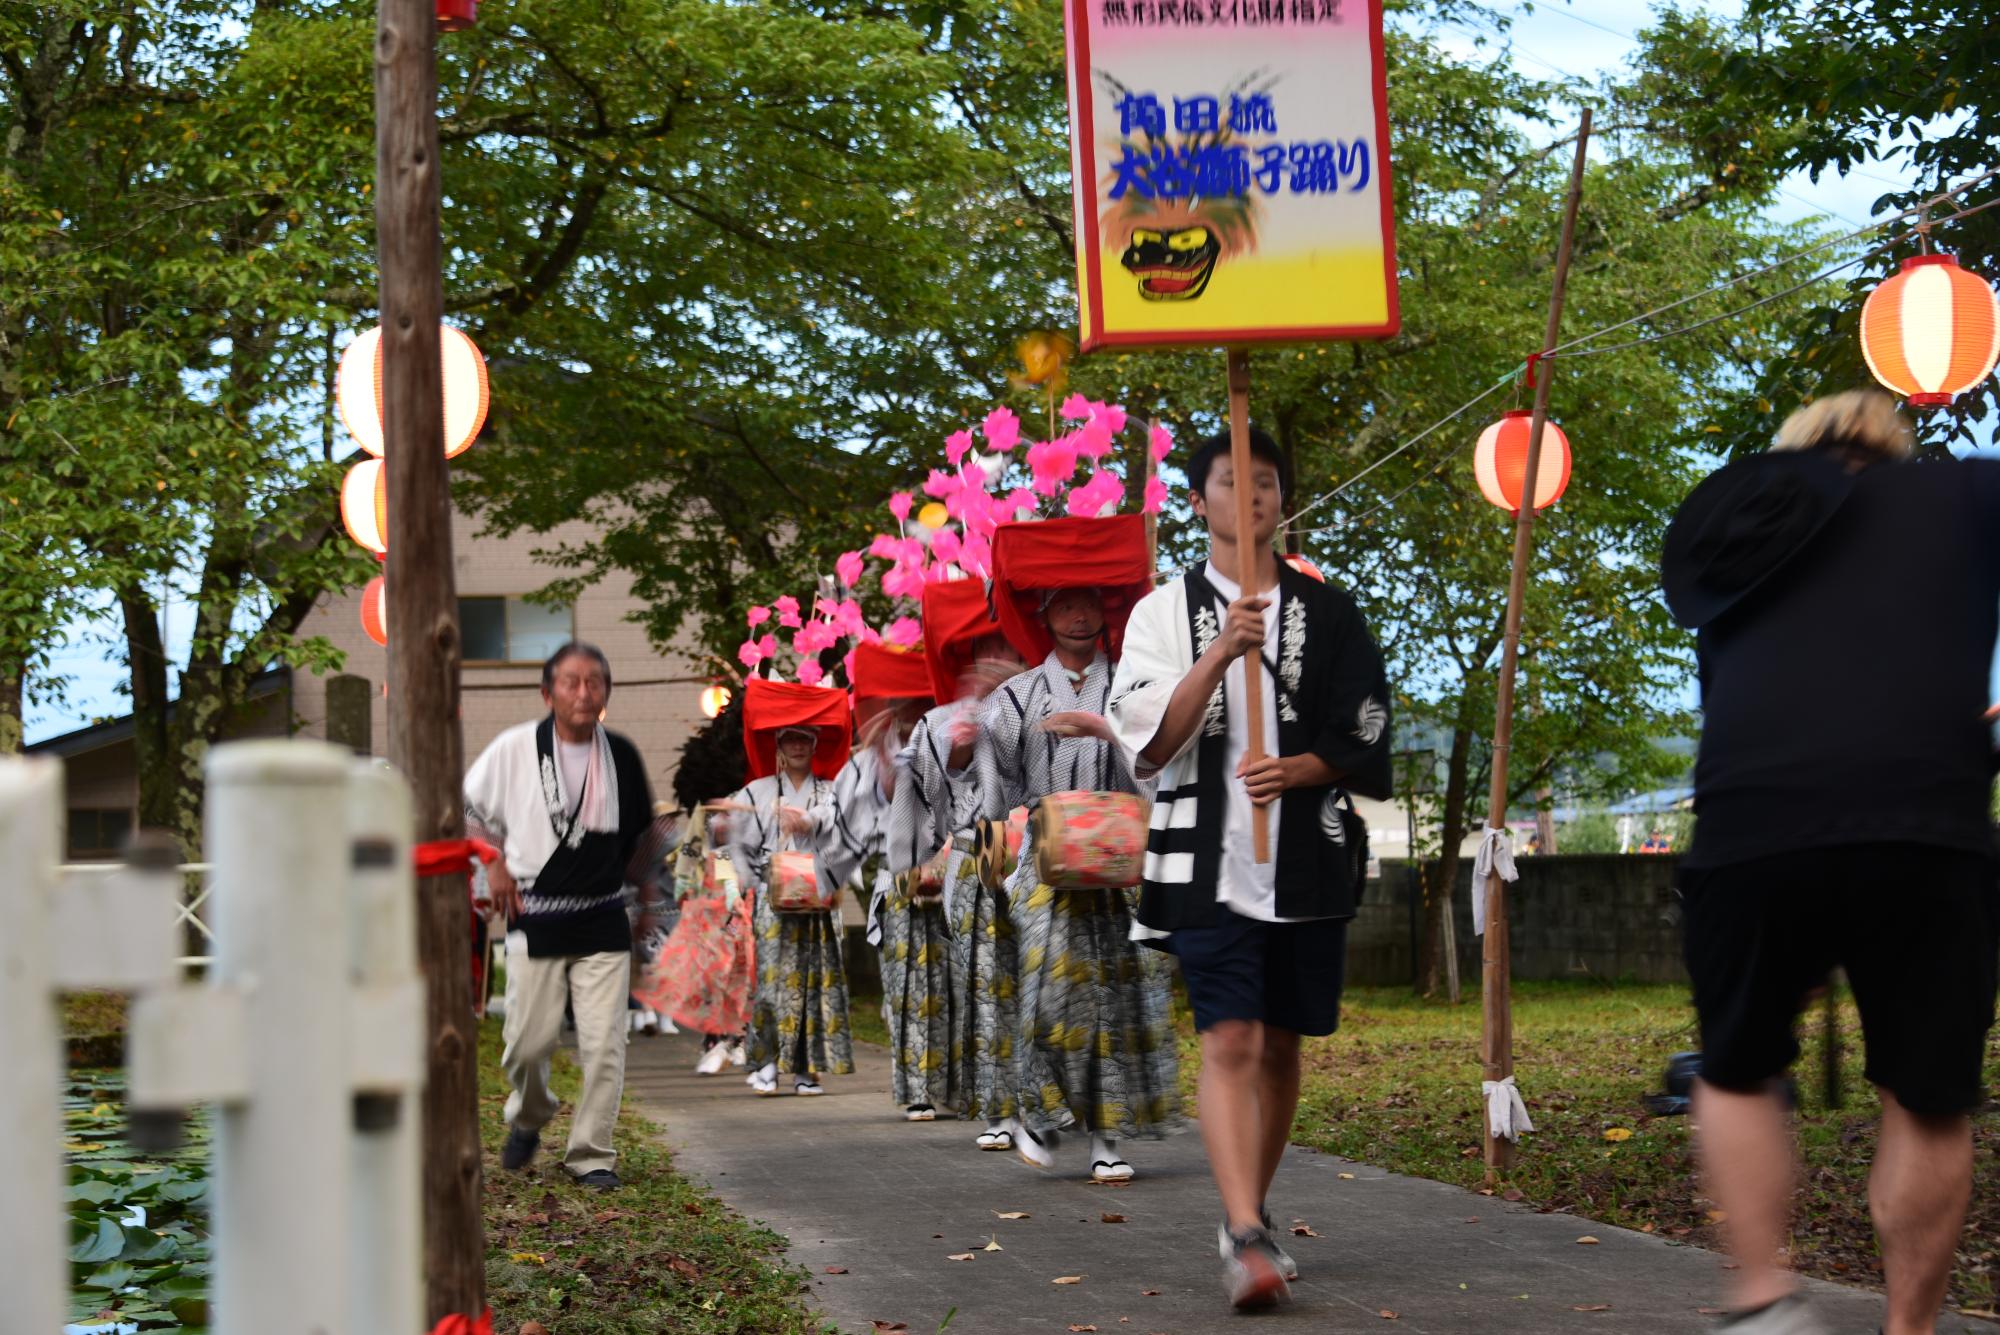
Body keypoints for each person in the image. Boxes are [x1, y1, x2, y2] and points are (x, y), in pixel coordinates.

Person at [1660, 389, 2000, 1335]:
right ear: (1891, 450)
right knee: (1927, 1096)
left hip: (1751, 818)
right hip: (1925, 818)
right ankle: (1908, 1329)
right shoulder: (1962, 496)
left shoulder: (1742, 533)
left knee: (1735, 1066)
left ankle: (1765, 1294)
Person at [1100, 425, 1391, 1309]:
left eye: (1266, 481)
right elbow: (1145, 738)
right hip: (1205, 859)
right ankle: (1247, 1234)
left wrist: (1303, 768)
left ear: (1281, 498)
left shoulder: (1331, 611)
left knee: (1283, 1043)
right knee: (1230, 1034)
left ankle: (1247, 1205)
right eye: (1232, 480)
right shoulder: (1160, 612)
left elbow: (1369, 723)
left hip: (1306, 857)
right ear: (1199, 500)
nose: (1251, 495)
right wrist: (1221, 649)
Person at [979, 581, 1180, 1184]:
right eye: (1063, 603)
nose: (1078, 616)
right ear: (1042, 615)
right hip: (1040, 868)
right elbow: (994, 796)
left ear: (1106, 612)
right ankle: (1040, 1113)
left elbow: (1157, 769)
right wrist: (993, 880)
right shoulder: (1012, 699)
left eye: (1089, 603)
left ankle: (1108, 1137)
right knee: (1043, 992)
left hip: (1118, 864)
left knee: (1117, 1002)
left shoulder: (1131, 688)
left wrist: (1104, 727)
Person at [464, 641, 667, 1191]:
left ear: (606, 692)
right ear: (547, 691)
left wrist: (646, 902)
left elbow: (641, 840)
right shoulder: (513, 748)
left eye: (595, 682)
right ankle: (529, 1115)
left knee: (605, 1044)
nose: (584, 692)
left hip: (603, 917)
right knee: (527, 1046)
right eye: (572, 682)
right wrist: (495, 863)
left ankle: (591, 1154)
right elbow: (468, 811)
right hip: (536, 913)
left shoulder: (620, 753)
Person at [721, 722, 854, 1096]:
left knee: (812, 980)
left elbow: (845, 837)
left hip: (816, 894)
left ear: (815, 746)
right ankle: (765, 1062)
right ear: (778, 747)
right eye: (789, 739)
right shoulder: (757, 791)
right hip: (772, 893)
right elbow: (739, 845)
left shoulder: (831, 792)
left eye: (804, 739)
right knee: (770, 980)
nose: (797, 746)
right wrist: (741, 884)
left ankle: (806, 1068)